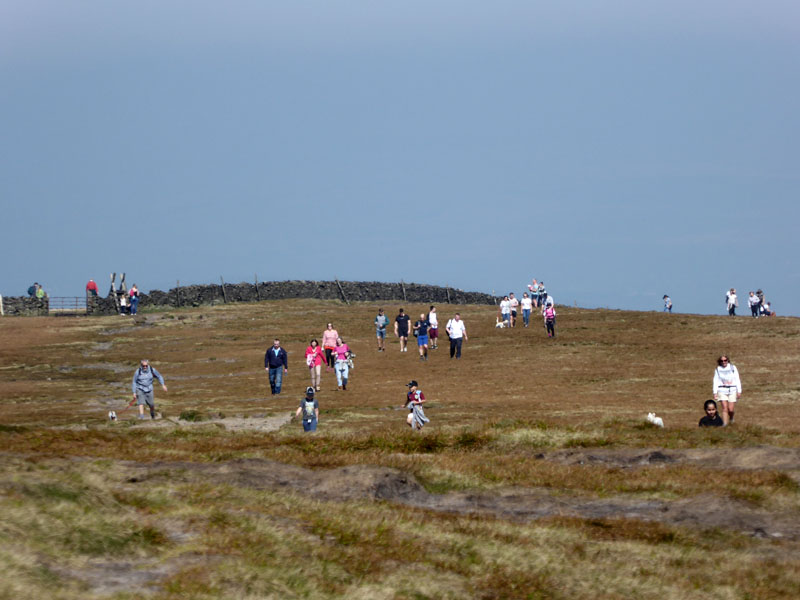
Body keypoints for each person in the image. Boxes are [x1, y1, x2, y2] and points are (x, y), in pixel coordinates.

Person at [713, 355, 741, 426]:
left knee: (730, 409)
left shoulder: (733, 368)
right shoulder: (718, 369)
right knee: (724, 408)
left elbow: (737, 379)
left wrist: (739, 391)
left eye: (725, 360)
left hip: (732, 389)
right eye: (722, 361)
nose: (723, 362)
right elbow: (715, 380)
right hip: (722, 390)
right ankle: (724, 424)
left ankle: (731, 418)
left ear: (728, 360)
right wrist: (715, 392)